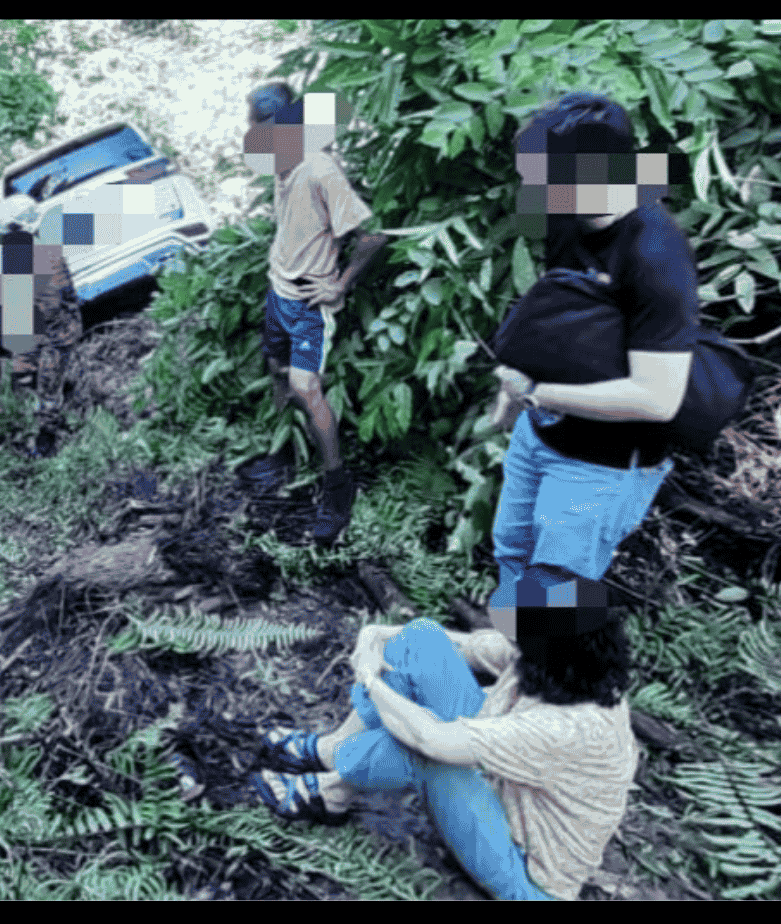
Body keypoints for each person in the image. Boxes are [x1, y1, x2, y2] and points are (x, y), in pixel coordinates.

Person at [250, 574, 635, 901]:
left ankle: (333, 791)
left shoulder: (571, 727)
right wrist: (376, 636)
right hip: (502, 788)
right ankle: (332, 750)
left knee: (427, 752)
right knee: (421, 639)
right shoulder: (568, 664)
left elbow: (430, 739)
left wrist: (369, 678)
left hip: (524, 871)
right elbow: (457, 645)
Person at [485, 91, 693, 615]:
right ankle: (513, 652)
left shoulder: (656, 253)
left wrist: (536, 393)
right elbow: (560, 313)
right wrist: (514, 399)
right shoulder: (568, 215)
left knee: (552, 593)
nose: (536, 190)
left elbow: (658, 399)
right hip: (542, 432)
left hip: (603, 463)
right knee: (511, 555)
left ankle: (542, 663)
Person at [243, 82, 390, 547]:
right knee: (276, 371)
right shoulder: (280, 162)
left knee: (307, 388)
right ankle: (286, 454)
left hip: (309, 303)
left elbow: (372, 235)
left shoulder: (321, 170)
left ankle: (337, 485)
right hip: (279, 290)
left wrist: (339, 284)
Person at [0, 193, 83, 458]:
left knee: (45, 383)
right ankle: (34, 420)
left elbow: (53, 305)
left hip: (49, 332)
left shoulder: (41, 256)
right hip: (29, 330)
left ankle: (46, 436)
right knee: (27, 378)